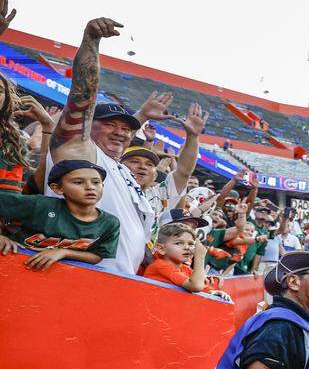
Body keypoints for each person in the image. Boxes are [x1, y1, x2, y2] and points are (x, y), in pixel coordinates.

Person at [47, 18, 181, 275]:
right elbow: (81, 97)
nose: (120, 133)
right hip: (78, 273)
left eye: (127, 128)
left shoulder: (120, 170)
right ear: (88, 126)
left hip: (119, 279)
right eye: (110, 124)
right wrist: (91, 42)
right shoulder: (82, 155)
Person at [0, 159, 119, 269]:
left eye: (96, 182)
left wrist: (63, 252)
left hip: (58, 278)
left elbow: (97, 256)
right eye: (78, 182)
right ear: (57, 188)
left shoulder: (110, 223)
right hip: (13, 264)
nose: (90, 187)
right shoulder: (40, 205)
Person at [142, 222, 228, 298]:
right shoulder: (160, 265)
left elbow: (202, 287)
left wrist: (212, 292)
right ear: (161, 249)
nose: (187, 248)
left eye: (191, 244)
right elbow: (196, 286)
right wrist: (200, 256)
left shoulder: (185, 269)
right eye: (178, 243)